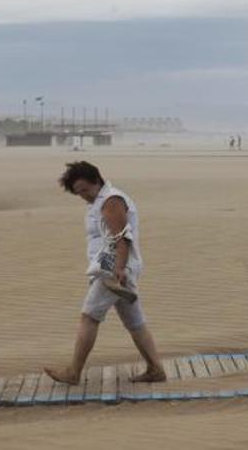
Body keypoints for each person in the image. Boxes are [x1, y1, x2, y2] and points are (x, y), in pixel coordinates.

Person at [45, 161, 166, 384]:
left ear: (96, 181)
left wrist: (118, 269)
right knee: (135, 321)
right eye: (77, 192)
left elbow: (122, 237)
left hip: (113, 269)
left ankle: (73, 372)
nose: (83, 195)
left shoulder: (111, 201)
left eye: (85, 189)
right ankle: (156, 369)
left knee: (89, 316)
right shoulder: (100, 201)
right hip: (113, 265)